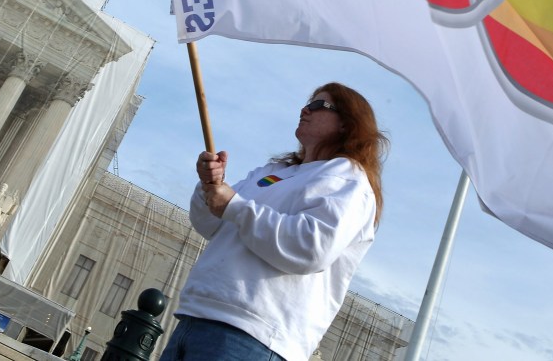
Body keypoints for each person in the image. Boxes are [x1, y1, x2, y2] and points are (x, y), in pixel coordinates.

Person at [158, 82, 388, 361]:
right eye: (307, 103)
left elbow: (311, 248)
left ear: (346, 124)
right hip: (197, 317)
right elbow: (212, 224)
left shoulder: (348, 179)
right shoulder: (274, 172)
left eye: (318, 105)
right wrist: (210, 187)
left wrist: (234, 205)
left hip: (254, 335)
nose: (304, 109)